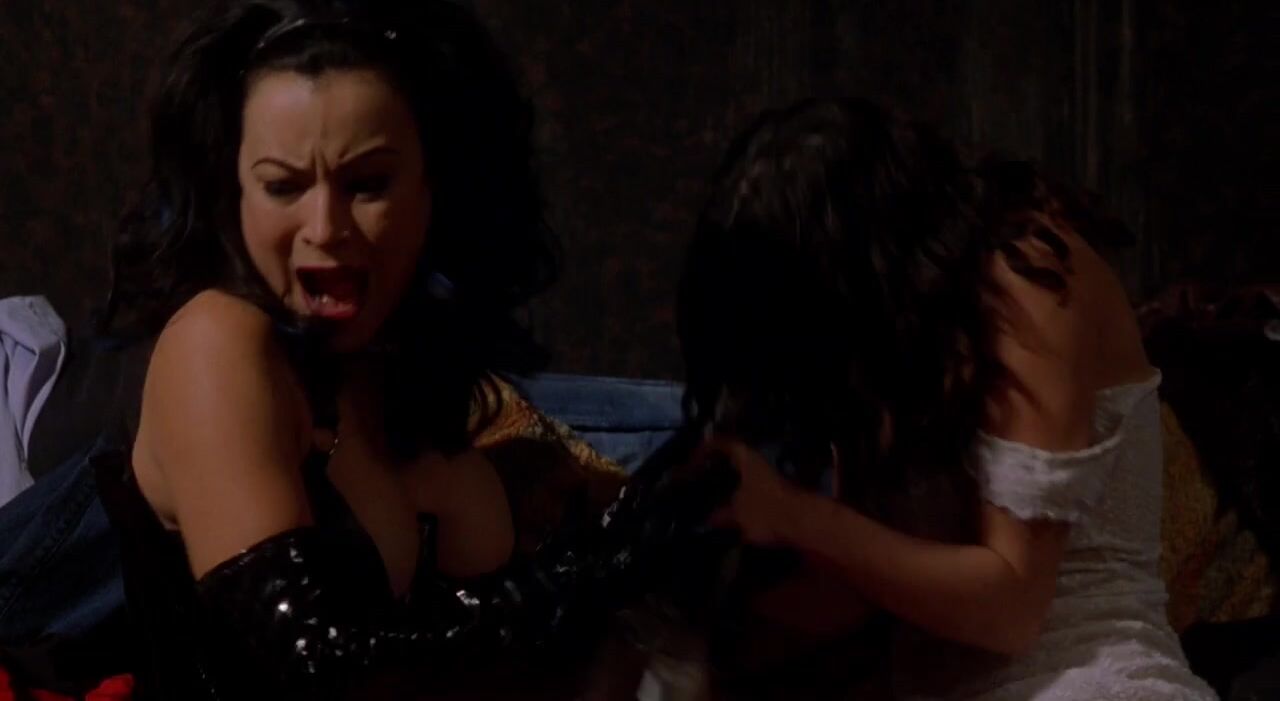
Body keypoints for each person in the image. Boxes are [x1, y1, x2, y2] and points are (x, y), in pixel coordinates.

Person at [92, 1, 717, 698]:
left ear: (437, 189)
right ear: (233, 195)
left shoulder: (399, 358)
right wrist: (589, 575)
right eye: (282, 186)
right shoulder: (217, 341)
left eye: (367, 184)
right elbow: (318, 665)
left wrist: (642, 534)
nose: (324, 227)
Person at [678, 97, 1218, 699]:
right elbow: (871, 593)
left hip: (1079, 673)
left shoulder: (1029, 277)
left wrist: (794, 515)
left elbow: (1013, 610)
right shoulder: (895, 332)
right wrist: (687, 595)